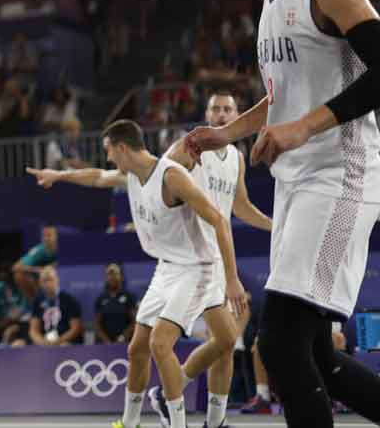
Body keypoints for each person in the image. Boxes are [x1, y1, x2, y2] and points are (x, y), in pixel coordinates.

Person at [185, 0, 380, 427]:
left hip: (343, 174)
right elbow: (282, 98)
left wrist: (306, 127)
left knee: (281, 344)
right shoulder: (273, 1)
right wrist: (227, 133)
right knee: (320, 357)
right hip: (298, 181)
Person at [28, 119, 248, 428]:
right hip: (166, 268)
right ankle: (130, 423)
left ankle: (178, 423)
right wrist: (58, 176)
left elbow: (219, 222)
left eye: (109, 151)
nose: (108, 159)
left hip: (196, 269)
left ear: (122, 147)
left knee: (161, 345)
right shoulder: (130, 175)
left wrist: (233, 278)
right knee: (139, 348)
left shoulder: (172, 177)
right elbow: (96, 177)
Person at [163, 90, 273, 428]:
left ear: (238, 115)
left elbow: (240, 207)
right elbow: (160, 173)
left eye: (228, 110)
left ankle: (212, 418)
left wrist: (275, 227)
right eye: (216, 110)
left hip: (217, 256)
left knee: (226, 342)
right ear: (207, 115)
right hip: (190, 258)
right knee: (223, 339)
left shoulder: (237, 157)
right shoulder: (192, 146)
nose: (222, 115)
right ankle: (171, 395)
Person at [28, 266, 84, 347]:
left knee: (64, 346)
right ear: (40, 283)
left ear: (57, 280)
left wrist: (58, 342)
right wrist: (42, 342)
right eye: (44, 281)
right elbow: (33, 330)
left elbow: (76, 328)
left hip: (65, 342)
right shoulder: (37, 301)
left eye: (50, 279)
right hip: (44, 342)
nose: (47, 284)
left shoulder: (69, 300)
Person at [94, 263, 137, 344]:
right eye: (109, 274)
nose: (112, 277)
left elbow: (134, 321)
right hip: (105, 343)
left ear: (121, 276)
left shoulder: (129, 297)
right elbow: (97, 324)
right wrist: (106, 341)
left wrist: (123, 337)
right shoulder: (101, 299)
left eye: (115, 274)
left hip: (125, 342)